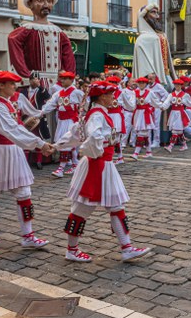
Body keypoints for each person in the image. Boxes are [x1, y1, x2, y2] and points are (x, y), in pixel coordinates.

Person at [61, 81, 152, 262]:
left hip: (104, 165)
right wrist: (102, 146)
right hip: (98, 165)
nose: (113, 98)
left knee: (116, 206)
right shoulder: (97, 115)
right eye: (111, 94)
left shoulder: (98, 113)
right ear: (102, 97)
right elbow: (92, 137)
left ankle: (126, 247)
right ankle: (72, 249)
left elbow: (77, 134)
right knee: (81, 209)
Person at [0, 71, 54, 251]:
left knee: (24, 194)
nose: (15, 87)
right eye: (12, 84)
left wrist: (37, 141)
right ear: (1, 85)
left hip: (12, 151)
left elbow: (16, 128)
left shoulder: (6, 103)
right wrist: (39, 143)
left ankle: (28, 235)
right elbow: (11, 130)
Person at [8, 0, 76, 88]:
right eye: (40, 0)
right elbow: (13, 40)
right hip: (36, 83)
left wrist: (68, 76)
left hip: (57, 84)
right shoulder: (26, 29)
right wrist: (26, 75)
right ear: (30, 4)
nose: (45, 4)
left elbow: (68, 56)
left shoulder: (59, 32)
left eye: (49, 1)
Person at [42, 71, 84, 178]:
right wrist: (40, 113)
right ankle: (75, 164)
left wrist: (83, 114)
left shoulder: (76, 92)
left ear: (71, 80)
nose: (62, 80)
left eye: (65, 79)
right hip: (62, 120)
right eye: (62, 78)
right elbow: (50, 104)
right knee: (69, 143)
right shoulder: (59, 93)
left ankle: (61, 168)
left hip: (71, 121)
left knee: (65, 142)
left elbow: (85, 102)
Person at [132, 3, 177, 85]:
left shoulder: (161, 35)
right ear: (144, 16)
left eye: (157, 13)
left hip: (166, 76)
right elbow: (144, 66)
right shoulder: (142, 39)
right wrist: (152, 77)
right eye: (153, 12)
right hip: (153, 80)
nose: (157, 16)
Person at [22, 72, 52, 170]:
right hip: (26, 118)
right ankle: (25, 161)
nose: (36, 80)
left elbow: (48, 97)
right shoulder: (24, 91)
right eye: (34, 79)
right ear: (30, 80)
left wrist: (40, 87)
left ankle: (38, 161)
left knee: (39, 137)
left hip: (38, 119)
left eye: (38, 79)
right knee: (25, 138)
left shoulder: (41, 90)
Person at [160, 78, 191, 152]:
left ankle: (170, 146)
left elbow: (190, 103)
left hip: (180, 114)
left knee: (175, 131)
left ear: (181, 86)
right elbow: (167, 102)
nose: (177, 86)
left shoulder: (185, 95)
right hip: (173, 113)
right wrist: (163, 107)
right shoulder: (171, 95)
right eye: (176, 85)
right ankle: (184, 145)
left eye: (178, 85)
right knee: (178, 131)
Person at [130, 77, 162, 159]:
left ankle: (136, 153)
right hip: (138, 114)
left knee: (142, 134)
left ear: (146, 84)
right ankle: (149, 152)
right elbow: (131, 103)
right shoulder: (134, 92)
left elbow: (156, 102)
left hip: (146, 114)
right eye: (140, 83)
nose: (141, 84)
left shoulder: (150, 92)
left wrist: (162, 105)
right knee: (145, 134)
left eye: (143, 83)